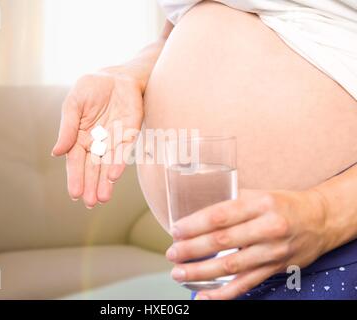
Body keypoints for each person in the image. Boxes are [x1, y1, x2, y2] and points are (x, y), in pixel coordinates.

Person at [52, 0, 357, 299]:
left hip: (333, 253)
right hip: (221, 268)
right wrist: (129, 72)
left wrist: (323, 215)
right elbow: (176, 26)